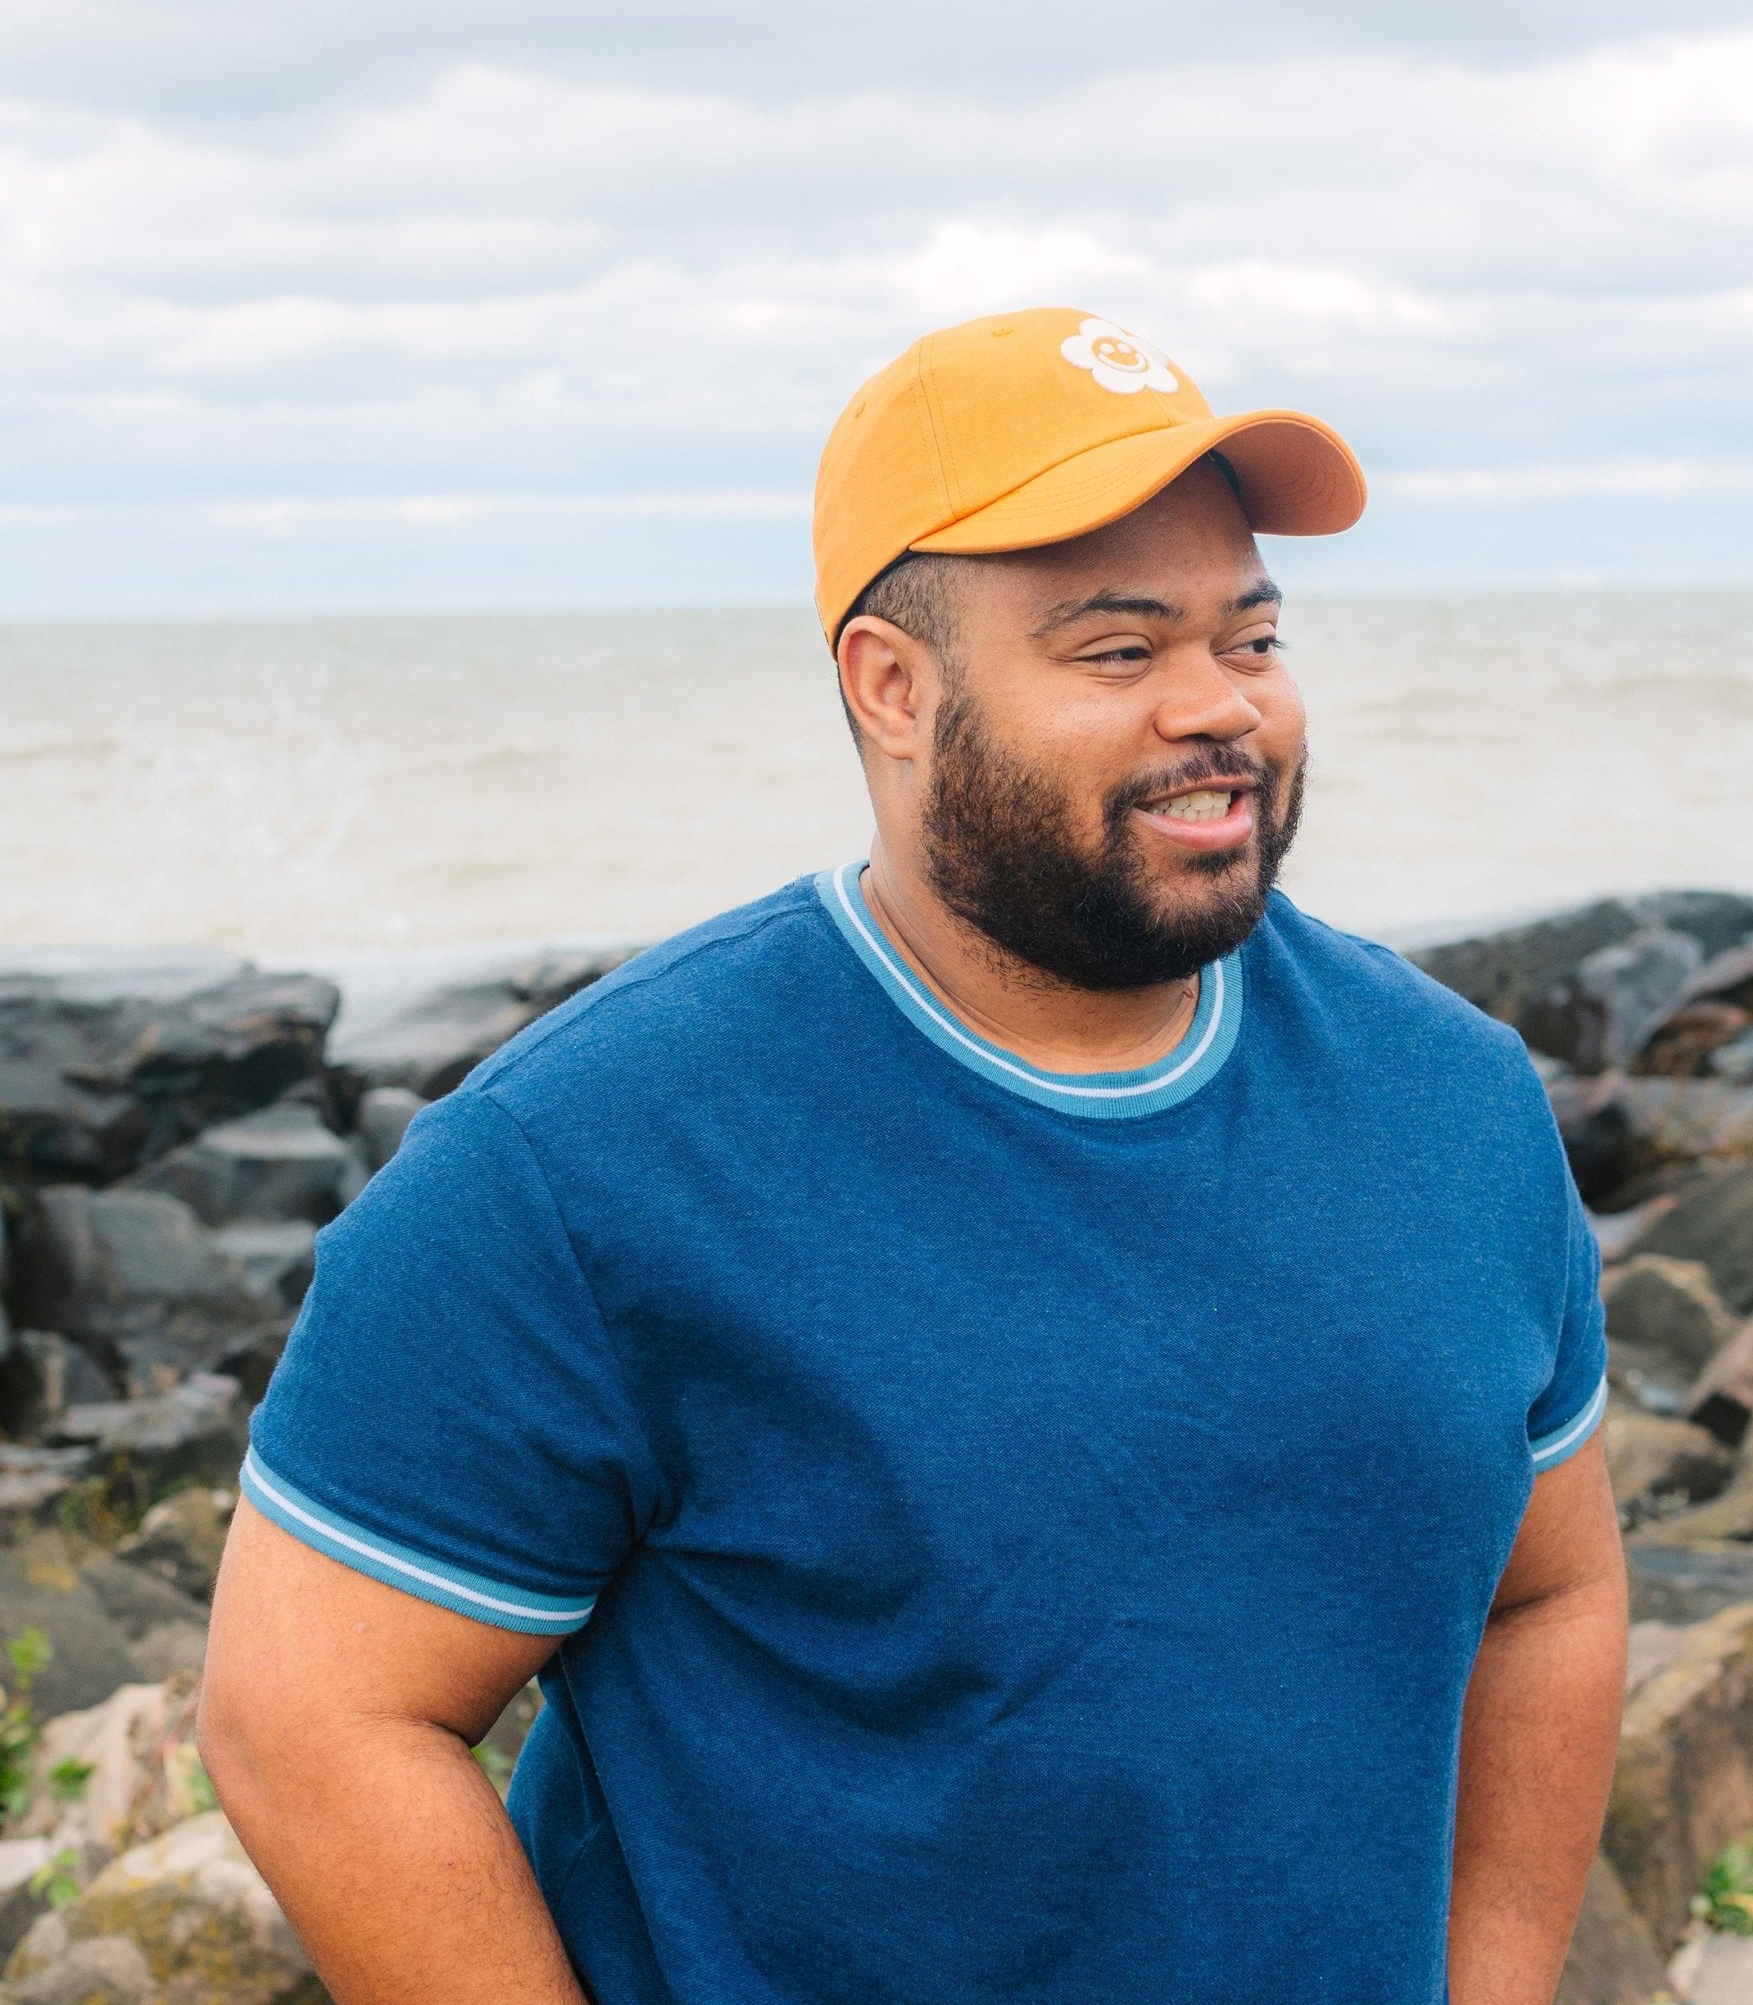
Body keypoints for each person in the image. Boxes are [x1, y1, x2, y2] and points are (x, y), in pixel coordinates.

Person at [201, 307, 1626, 2005]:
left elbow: (1550, 1596)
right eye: (1119, 651)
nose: (1218, 707)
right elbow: (309, 1715)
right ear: (894, 686)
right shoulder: (575, 1165)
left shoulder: (1452, 1099)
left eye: (1250, 636)